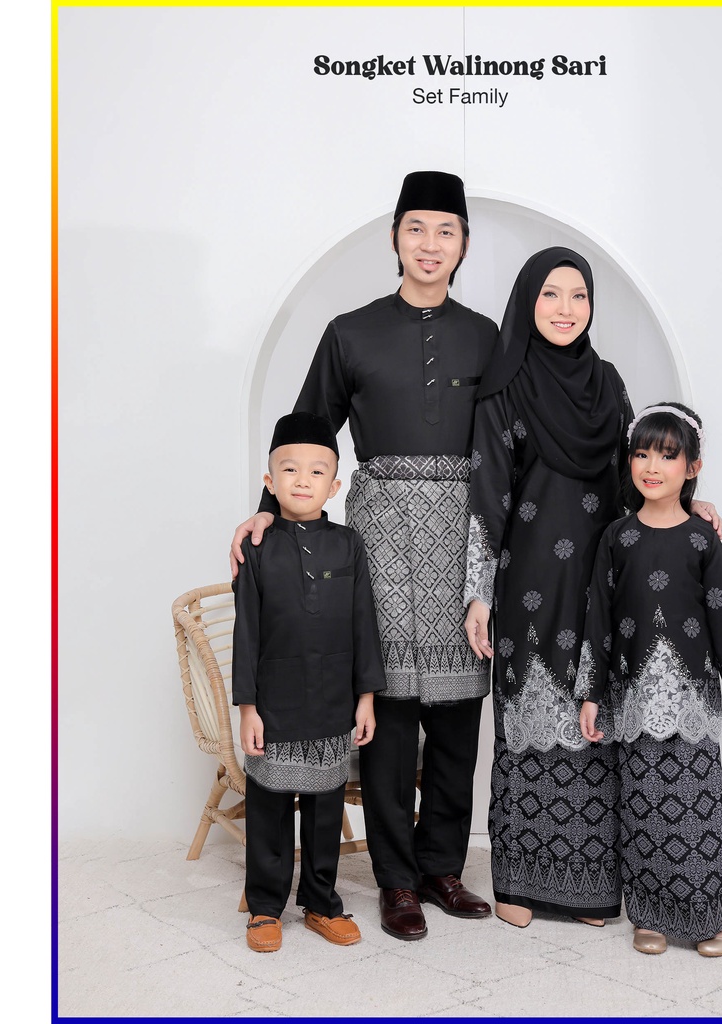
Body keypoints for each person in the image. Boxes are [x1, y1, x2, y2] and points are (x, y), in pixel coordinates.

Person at [230, 171, 498, 941]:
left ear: (464, 245)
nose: (430, 244)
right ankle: (397, 880)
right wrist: (263, 512)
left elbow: (517, 440)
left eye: (446, 231)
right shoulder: (349, 332)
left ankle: (443, 868)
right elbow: (307, 432)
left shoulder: (488, 336)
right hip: (379, 535)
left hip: (465, 534)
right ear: (394, 237)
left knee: (458, 715)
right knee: (390, 711)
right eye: (417, 228)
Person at [463, 248, 722, 929]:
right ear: (528, 301)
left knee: (593, 719)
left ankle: (587, 889)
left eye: (578, 296)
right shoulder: (504, 386)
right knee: (529, 723)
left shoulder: (607, 383)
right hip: (529, 582)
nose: (565, 308)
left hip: (604, 577)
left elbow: (637, 477)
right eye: (551, 294)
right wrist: (479, 593)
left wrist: (688, 505)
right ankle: (519, 886)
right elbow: (487, 495)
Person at [576, 402, 722, 957]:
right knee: (641, 806)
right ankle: (651, 916)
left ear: (692, 467)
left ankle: (716, 918)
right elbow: (598, 621)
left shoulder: (702, 540)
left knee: (696, 807)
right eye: (641, 453)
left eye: (667, 455)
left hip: (692, 700)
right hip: (632, 699)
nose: (652, 466)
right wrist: (591, 694)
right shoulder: (616, 538)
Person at [232, 411, 386, 952]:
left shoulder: (349, 544)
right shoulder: (255, 547)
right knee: (270, 808)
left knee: (324, 808)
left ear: (334, 485)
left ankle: (321, 902)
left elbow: (364, 623)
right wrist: (247, 708)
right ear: (270, 482)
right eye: (290, 469)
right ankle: (265, 907)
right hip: (274, 701)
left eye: (317, 471)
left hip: (333, 698)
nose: (303, 480)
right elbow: (247, 631)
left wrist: (366, 698)